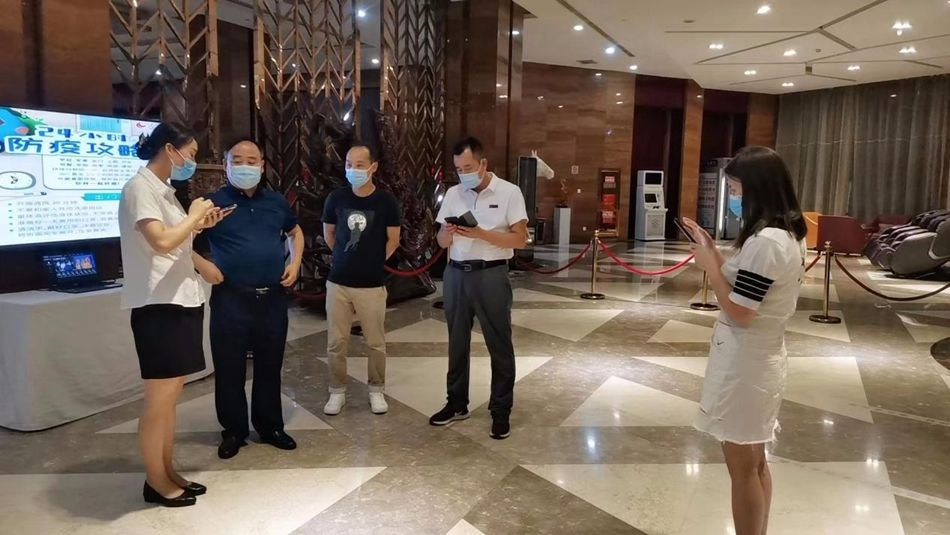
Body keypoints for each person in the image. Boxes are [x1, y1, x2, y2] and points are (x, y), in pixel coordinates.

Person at [682, 146, 808, 535]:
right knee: (755, 461)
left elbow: (741, 310)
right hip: (759, 357)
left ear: (757, 188)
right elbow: (748, 285)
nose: (733, 198)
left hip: (746, 363)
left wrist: (709, 268)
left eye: (736, 190)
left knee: (743, 466)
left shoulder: (767, 241)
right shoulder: (784, 235)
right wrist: (714, 253)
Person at [119, 122, 230, 507]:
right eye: (191, 153)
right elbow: (161, 241)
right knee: (159, 400)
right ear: (170, 149)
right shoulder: (139, 188)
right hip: (158, 306)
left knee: (170, 398)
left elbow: (177, 242)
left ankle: (166, 471)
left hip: (180, 300)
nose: (192, 161)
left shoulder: (163, 191)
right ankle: (156, 481)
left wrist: (198, 225)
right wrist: (194, 213)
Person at [193, 139, 304, 460]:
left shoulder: (276, 202)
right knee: (229, 367)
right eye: (237, 160)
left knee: (270, 365)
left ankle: (270, 426)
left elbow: (295, 232)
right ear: (226, 165)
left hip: (272, 298)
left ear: (262, 165)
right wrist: (203, 265)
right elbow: (183, 242)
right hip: (231, 298)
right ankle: (234, 430)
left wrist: (295, 262)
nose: (245, 166)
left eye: (251, 160)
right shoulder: (211, 204)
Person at [429, 136, 528, 440]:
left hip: (491, 275)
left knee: (499, 343)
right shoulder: (453, 194)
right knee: (456, 342)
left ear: (483, 164)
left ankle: (500, 410)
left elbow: (520, 239)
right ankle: (456, 403)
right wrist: (448, 232)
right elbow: (441, 242)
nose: (463, 174)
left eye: (468, 168)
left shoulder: (509, 192)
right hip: (456, 274)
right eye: (459, 169)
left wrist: (481, 234)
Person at [321, 144, 401, 415]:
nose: (352, 169)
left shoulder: (386, 201)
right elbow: (330, 234)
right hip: (339, 282)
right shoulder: (336, 198)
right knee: (336, 341)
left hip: (372, 284)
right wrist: (346, 257)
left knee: (375, 342)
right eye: (349, 164)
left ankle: (376, 389)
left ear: (373, 167)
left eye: (359, 165)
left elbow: (393, 240)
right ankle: (336, 391)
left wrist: (372, 261)